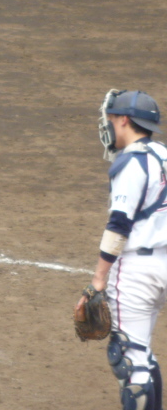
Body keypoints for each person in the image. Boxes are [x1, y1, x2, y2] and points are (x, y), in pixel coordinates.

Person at [76, 89, 167, 410]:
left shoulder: (131, 163)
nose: (109, 125)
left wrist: (98, 279)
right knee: (143, 355)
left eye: (112, 119)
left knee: (129, 360)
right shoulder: (163, 154)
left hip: (137, 272)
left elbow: (119, 224)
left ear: (125, 120)